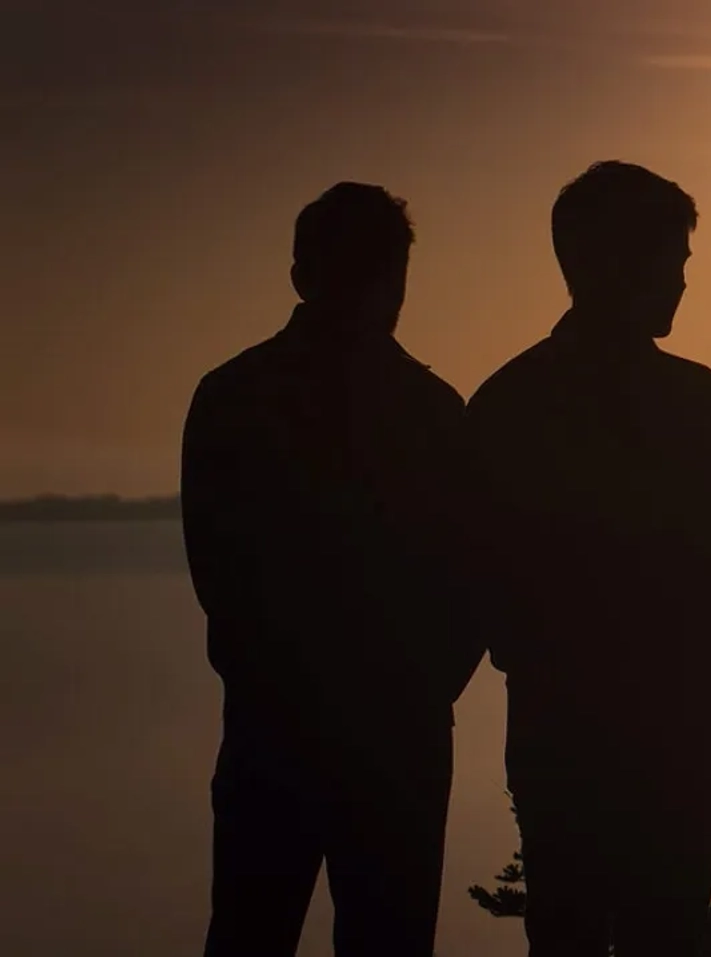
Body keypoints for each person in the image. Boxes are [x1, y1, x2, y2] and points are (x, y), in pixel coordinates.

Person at [466, 161, 711, 956]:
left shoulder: (507, 404)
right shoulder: (696, 406)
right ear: (617, 261)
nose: (680, 281)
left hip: (587, 746)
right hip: (642, 748)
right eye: (671, 259)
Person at [183, 183, 481, 957]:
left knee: (250, 933)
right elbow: (469, 584)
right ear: (397, 280)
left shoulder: (229, 397)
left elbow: (216, 573)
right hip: (397, 742)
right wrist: (419, 689)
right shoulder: (434, 411)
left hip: (270, 732)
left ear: (299, 275)